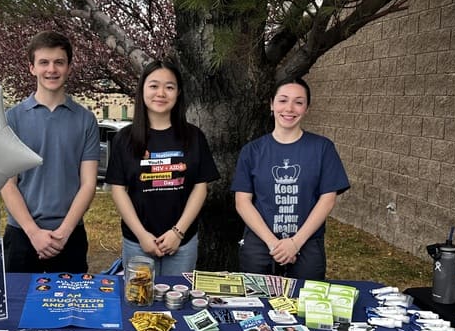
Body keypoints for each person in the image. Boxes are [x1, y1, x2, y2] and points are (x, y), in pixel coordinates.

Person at [106, 59, 220, 276]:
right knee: (139, 302)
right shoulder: (124, 139)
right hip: (137, 242)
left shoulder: (194, 137)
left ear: (178, 93)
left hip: (182, 242)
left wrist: (177, 233)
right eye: (154, 86)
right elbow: (118, 190)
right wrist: (141, 235)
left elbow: (200, 187)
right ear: (142, 90)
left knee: (177, 304)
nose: (161, 93)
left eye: (169, 87)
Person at [0, 31, 100, 273]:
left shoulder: (86, 120)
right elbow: (7, 184)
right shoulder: (11, 119)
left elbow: (88, 184)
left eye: (59, 62)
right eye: (43, 62)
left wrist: (64, 233)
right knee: (19, 309)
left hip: (70, 235)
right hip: (22, 235)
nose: (51, 69)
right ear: (31, 68)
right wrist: (34, 233)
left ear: (68, 67)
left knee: (70, 310)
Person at [231, 77, 350, 280]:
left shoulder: (322, 148)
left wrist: (295, 243)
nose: (290, 108)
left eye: (299, 102)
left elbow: (327, 199)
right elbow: (242, 202)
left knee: (304, 306)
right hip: (260, 245)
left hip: (307, 244)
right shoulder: (252, 151)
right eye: (283, 100)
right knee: (255, 307)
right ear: (272, 104)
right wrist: (273, 244)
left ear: (307, 108)